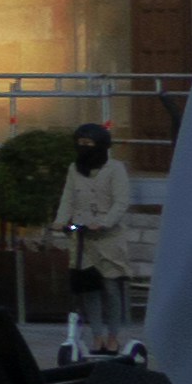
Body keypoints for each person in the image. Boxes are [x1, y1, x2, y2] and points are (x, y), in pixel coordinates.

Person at [54, 121, 133, 333]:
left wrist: (104, 223)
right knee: (89, 288)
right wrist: (60, 221)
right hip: (81, 236)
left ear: (100, 145)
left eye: (88, 143)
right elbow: (68, 197)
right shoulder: (74, 169)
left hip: (108, 237)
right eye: (80, 143)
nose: (84, 147)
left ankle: (113, 337)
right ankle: (97, 336)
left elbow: (121, 202)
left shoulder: (115, 169)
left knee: (110, 285)